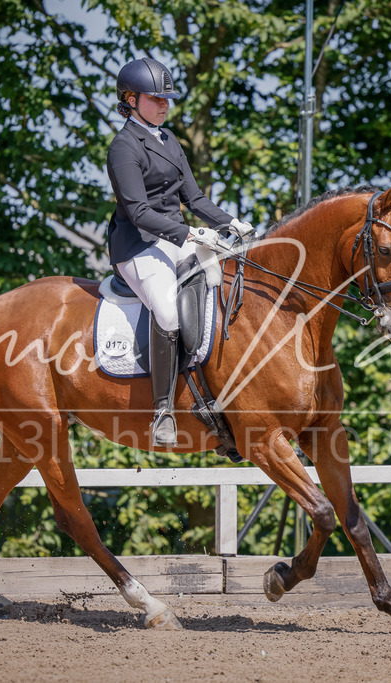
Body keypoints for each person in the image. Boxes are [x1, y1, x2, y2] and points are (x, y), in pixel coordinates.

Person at [106, 57, 254, 448]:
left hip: (177, 238)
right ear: (130, 99)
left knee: (224, 288)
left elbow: (194, 196)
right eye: (156, 99)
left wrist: (230, 223)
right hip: (139, 246)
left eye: (167, 98)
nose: (164, 104)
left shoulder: (168, 139)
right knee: (168, 312)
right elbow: (138, 212)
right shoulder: (123, 147)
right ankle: (163, 411)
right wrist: (190, 232)